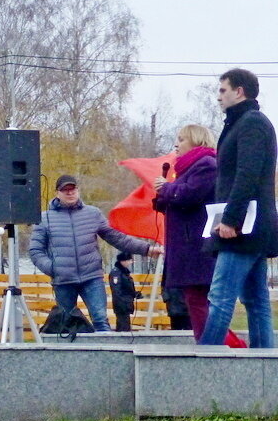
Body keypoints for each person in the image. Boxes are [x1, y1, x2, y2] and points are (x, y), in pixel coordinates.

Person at [198, 69, 278, 347]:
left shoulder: (251, 123)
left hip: (242, 228)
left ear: (239, 91)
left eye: (223, 90)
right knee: (256, 301)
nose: (218, 96)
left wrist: (230, 220)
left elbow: (247, 174)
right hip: (252, 227)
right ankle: (265, 369)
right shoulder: (243, 122)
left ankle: (201, 363)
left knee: (220, 296)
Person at [29, 175, 162, 332]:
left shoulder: (93, 214)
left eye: (72, 189)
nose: (69, 193)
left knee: (100, 319)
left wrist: (146, 249)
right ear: (57, 193)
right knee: (65, 325)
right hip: (63, 281)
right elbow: (35, 250)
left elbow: (116, 237)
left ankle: (106, 353)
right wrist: (53, 268)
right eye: (65, 190)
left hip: (91, 278)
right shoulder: (44, 218)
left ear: (78, 190)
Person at [151, 123, 244, 345]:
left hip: (195, 246)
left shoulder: (206, 165)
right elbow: (181, 198)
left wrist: (167, 188)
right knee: (195, 299)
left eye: (182, 139)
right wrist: (164, 196)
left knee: (199, 300)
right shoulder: (187, 169)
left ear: (196, 140)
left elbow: (189, 195)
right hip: (187, 245)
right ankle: (211, 343)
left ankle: (215, 345)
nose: (176, 144)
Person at [108, 252, 141, 332]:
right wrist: (122, 303)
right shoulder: (117, 273)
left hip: (126, 303)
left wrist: (134, 294)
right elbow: (116, 290)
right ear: (123, 261)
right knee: (123, 327)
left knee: (125, 325)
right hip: (122, 304)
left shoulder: (124, 272)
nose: (130, 262)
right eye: (129, 260)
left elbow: (126, 288)